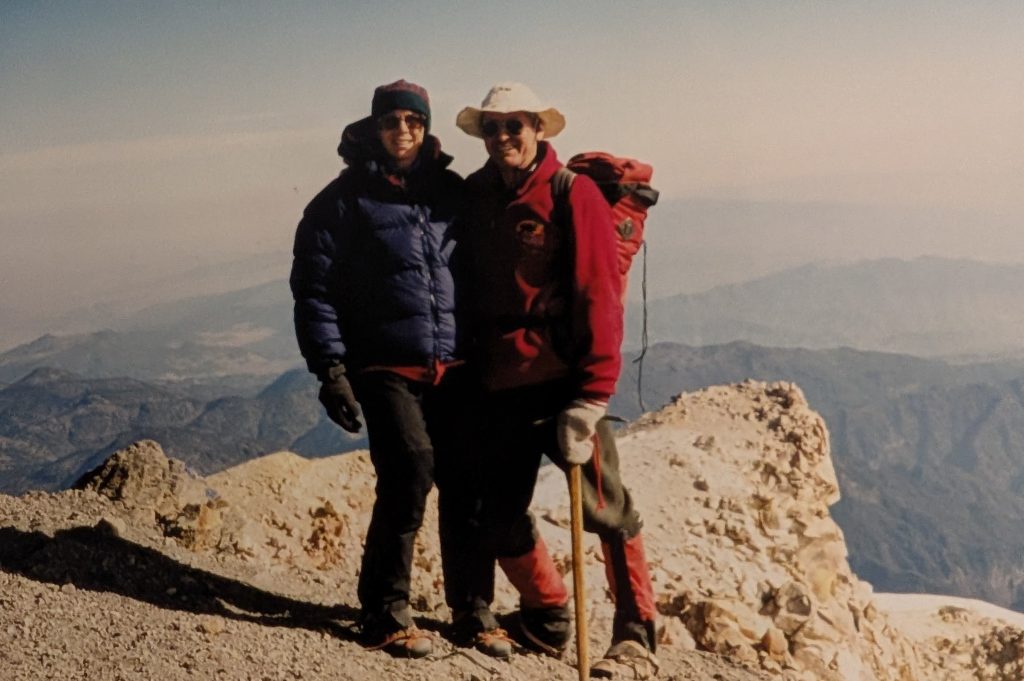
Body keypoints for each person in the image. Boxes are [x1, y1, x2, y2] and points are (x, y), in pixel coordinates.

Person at [289, 79, 513, 659]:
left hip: (454, 363)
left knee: (467, 484)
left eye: (413, 121)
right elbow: (314, 290)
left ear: (426, 126)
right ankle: (385, 612)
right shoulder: (339, 202)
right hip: (385, 364)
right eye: (392, 121)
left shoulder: (449, 192)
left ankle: (473, 609)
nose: (403, 131)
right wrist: (330, 369)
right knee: (410, 471)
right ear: (375, 128)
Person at [454, 82, 660, 679]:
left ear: (538, 129)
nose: (502, 138)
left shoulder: (573, 195)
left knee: (606, 509)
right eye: (492, 129)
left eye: (514, 125)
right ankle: (547, 617)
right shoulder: (477, 196)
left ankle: (636, 633)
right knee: (497, 512)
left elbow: (599, 296)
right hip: (498, 379)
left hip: (563, 382)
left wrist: (593, 394)